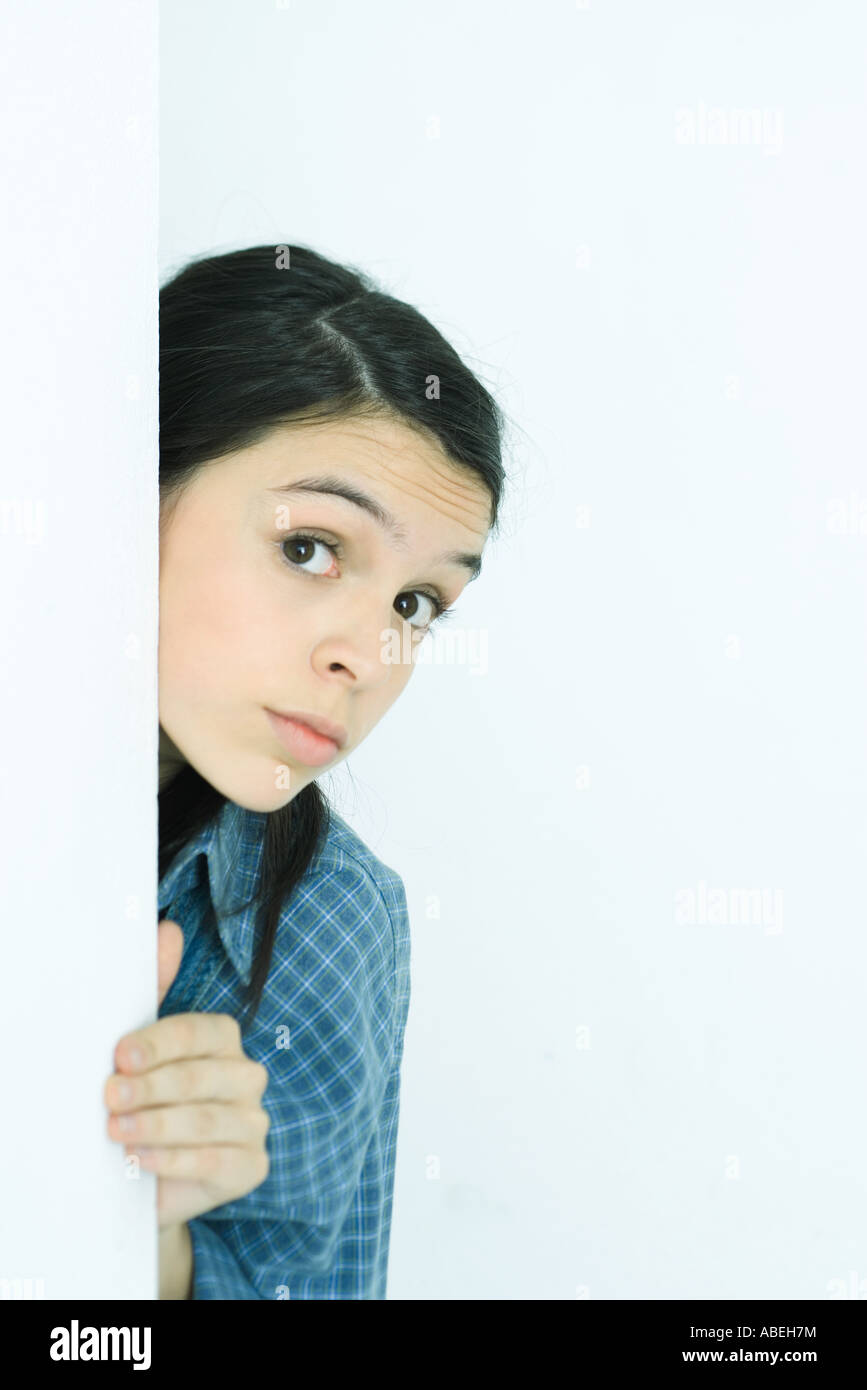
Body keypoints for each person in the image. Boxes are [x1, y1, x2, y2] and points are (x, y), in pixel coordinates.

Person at [102, 243, 507, 1298]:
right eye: (311, 548)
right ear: (127, 487)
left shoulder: (332, 918)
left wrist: (151, 1239)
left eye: (416, 603)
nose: (368, 659)